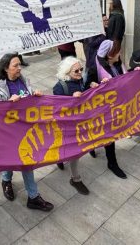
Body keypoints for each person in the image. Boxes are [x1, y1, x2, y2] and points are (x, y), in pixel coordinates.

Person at [0, 53, 54, 211]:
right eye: (15, 66)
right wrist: (6, 103)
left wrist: (35, 96)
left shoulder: (24, 81)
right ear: (5, 68)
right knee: (11, 160)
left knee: (26, 162)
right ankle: (7, 180)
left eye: (20, 65)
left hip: (24, 131)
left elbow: (29, 102)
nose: (19, 68)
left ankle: (33, 196)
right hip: (8, 134)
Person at [85, 40, 127, 178]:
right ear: (110, 55)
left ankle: (108, 160)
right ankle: (112, 163)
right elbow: (86, 88)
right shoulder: (94, 67)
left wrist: (135, 72)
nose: (120, 53)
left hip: (115, 106)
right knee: (107, 134)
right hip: (101, 109)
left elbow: (126, 78)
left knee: (110, 134)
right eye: (118, 51)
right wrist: (95, 85)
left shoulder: (118, 64)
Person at [52, 57, 93, 195]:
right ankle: (75, 179)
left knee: (74, 150)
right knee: (71, 150)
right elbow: (56, 108)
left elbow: (85, 93)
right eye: (76, 70)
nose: (80, 72)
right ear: (67, 72)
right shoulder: (60, 87)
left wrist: (93, 86)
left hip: (79, 123)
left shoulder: (80, 80)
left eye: (81, 69)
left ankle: (72, 174)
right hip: (66, 126)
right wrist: (70, 99)